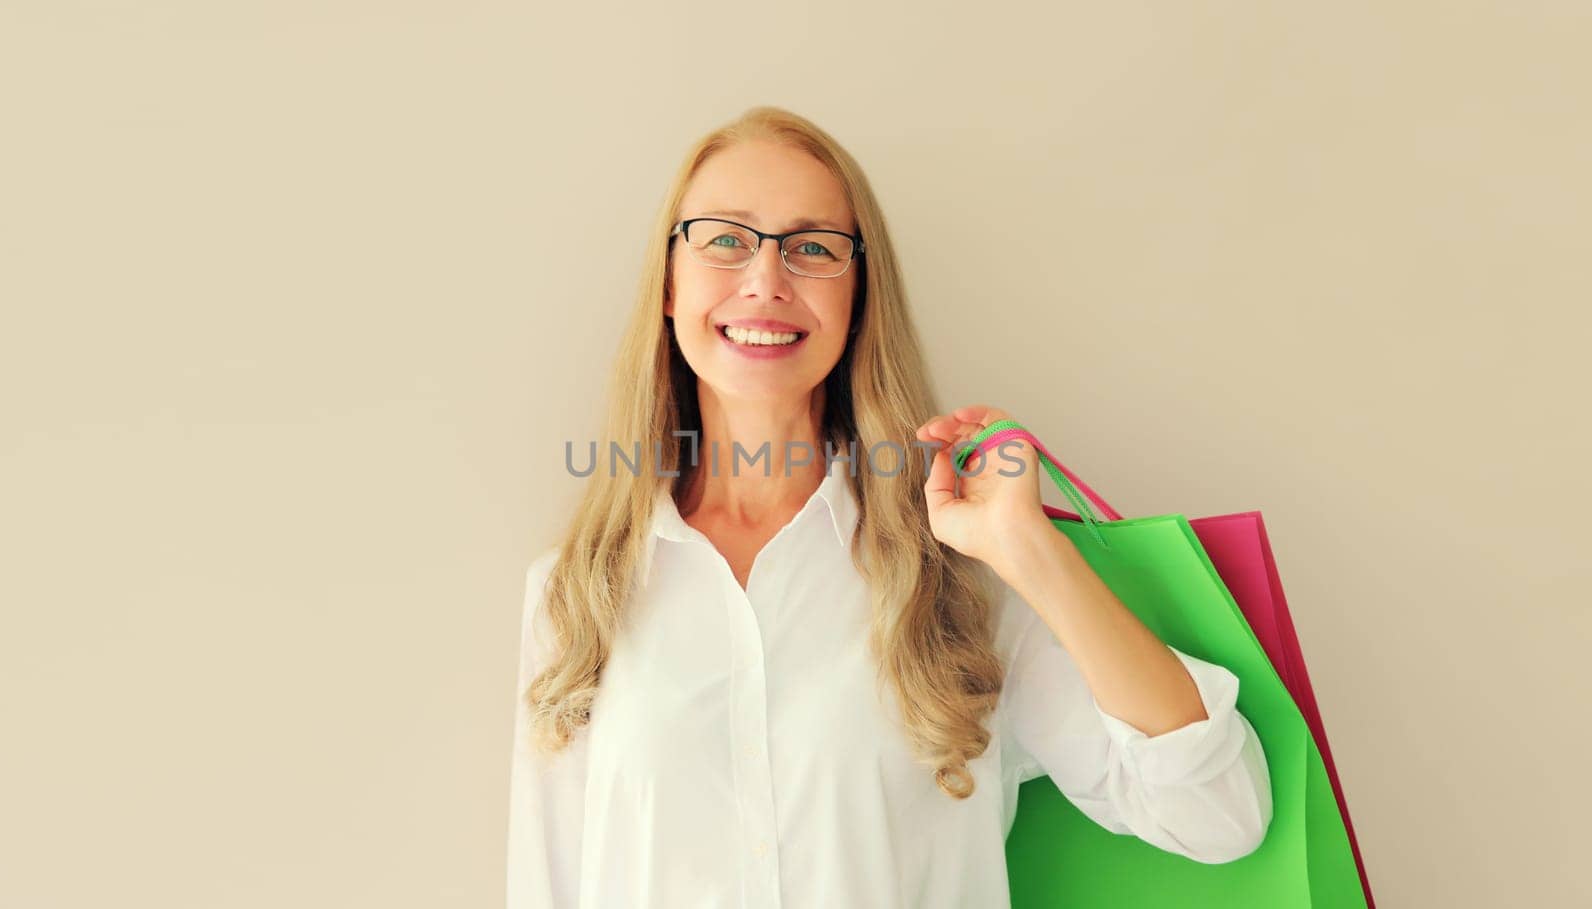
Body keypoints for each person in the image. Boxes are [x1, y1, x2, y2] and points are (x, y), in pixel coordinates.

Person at [508, 106, 1272, 908]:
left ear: (858, 299)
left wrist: (1031, 550)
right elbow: (546, 884)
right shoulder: (574, 592)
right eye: (727, 238)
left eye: (812, 247)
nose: (767, 279)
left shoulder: (958, 580)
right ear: (670, 283)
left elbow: (1219, 814)